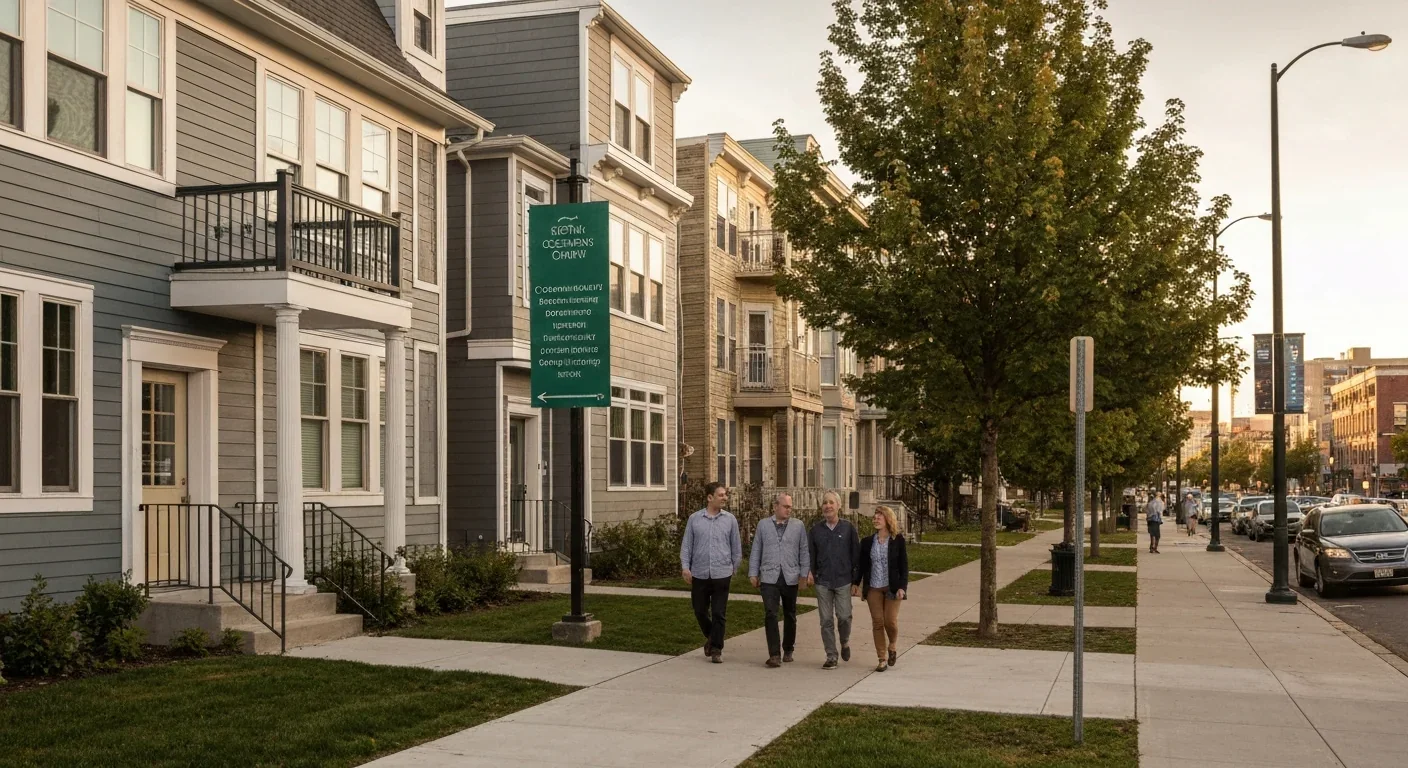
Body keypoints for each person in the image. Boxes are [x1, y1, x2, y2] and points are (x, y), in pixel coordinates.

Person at [681, 482, 742, 663]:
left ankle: (716, 649)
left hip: (722, 573)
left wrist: (733, 568)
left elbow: (736, 548)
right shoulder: (694, 519)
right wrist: (686, 567)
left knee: (719, 613)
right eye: (721, 495)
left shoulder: (730, 520)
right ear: (710, 497)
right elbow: (687, 546)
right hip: (699, 573)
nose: (725, 498)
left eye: (725, 495)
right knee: (699, 610)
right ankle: (712, 637)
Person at [749, 493, 810, 668]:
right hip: (769, 576)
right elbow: (756, 550)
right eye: (785, 506)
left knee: (790, 614)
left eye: (790, 507)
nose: (789, 509)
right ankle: (774, 654)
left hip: (790, 576)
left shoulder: (798, 526)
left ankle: (788, 648)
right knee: (770, 613)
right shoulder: (763, 525)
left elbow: (804, 551)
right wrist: (753, 573)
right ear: (775, 507)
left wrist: (804, 575)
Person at [808, 491, 861, 670]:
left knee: (844, 616)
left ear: (838, 506)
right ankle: (831, 655)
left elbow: (856, 556)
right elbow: (811, 556)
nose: (827, 506)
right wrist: (810, 572)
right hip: (823, 581)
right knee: (826, 620)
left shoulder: (848, 529)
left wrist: (856, 581)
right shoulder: (815, 530)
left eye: (831, 502)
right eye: (824, 503)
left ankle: (844, 641)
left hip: (843, 580)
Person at [857, 505, 908, 672]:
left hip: (892, 587)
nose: (876, 518)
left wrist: (902, 587)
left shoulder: (897, 540)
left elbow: (903, 566)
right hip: (873, 587)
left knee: (889, 621)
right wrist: (856, 584)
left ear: (888, 519)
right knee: (878, 623)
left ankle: (892, 644)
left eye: (880, 515)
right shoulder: (866, 542)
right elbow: (862, 565)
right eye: (875, 515)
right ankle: (881, 658)